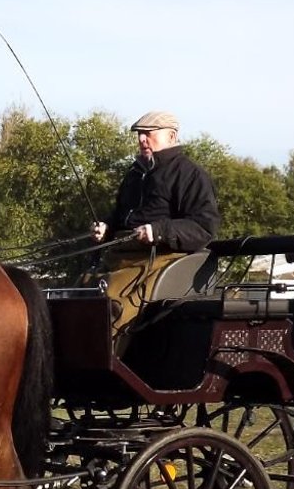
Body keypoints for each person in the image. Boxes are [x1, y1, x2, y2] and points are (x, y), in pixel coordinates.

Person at [89, 110, 220, 341]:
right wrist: (106, 228)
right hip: (119, 258)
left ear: (171, 136)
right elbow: (121, 216)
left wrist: (158, 231)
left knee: (108, 308)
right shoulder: (135, 173)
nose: (141, 139)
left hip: (160, 260)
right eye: (139, 134)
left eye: (148, 133)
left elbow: (204, 227)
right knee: (74, 296)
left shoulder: (190, 174)